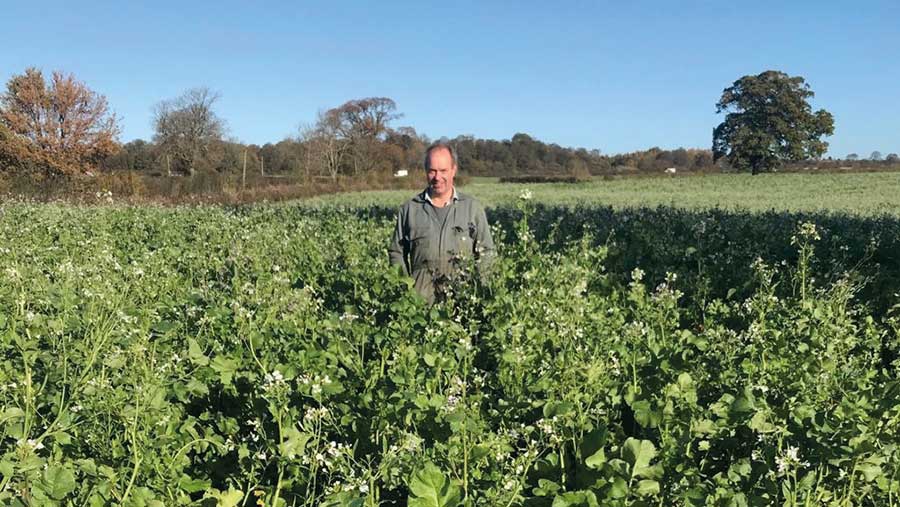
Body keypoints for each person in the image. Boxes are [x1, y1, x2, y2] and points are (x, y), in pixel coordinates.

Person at [388, 141, 495, 302]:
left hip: (462, 304)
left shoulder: (472, 208)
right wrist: (405, 290)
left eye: (443, 170)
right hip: (420, 307)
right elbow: (396, 253)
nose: (437, 177)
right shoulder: (410, 210)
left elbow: (487, 253)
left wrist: (483, 292)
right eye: (432, 171)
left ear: (454, 170)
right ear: (425, 171)